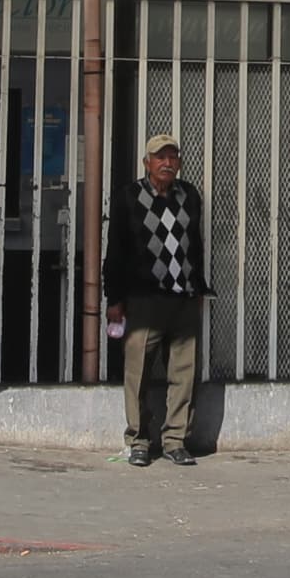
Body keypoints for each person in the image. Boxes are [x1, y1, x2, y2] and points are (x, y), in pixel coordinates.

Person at [102, 130, 208, 465]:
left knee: (184, 372)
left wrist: (198, 286)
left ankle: (176, 439)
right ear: (147, 162)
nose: (167, 163)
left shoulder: (189, 195)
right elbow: (115, 252)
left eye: (172, 157)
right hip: (143, 299)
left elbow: (195, 245)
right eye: (160, 157)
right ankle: (138, 439)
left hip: (183, 299)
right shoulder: (128, 197)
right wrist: (114, 299)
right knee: (138, 373)